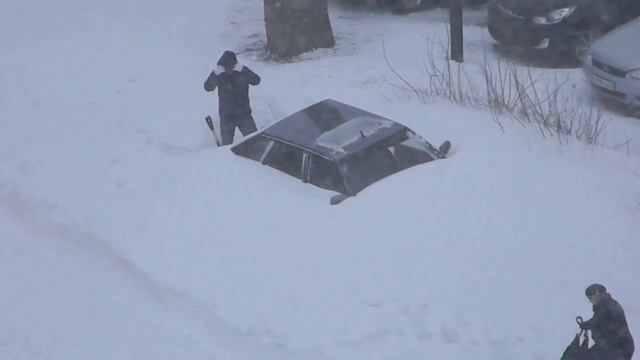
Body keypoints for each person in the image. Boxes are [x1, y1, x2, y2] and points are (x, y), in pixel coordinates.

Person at [204, 50, 261, 145]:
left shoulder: (241, 72)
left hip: (243, 114)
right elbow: (207, 87)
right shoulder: (219, 74)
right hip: (226, 116)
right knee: (226, 145)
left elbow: (256, 80)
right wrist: (215, 75)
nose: (228, 69)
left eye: (230, 67)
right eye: (226, 67)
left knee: (254, 141)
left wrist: (243, 70)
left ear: (235, 66)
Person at [580, 284, 635, 360]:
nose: (590, 301)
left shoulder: (608, 305)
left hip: (619, 348)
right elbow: (598, 320)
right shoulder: (603, 306)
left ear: (597, 293)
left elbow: (599, 320)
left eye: (590, 297)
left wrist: (588, 324)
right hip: (612, 347)